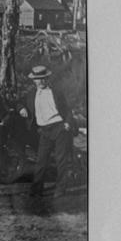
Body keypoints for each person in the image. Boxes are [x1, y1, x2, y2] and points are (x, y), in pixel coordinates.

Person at [18, 65, 76, 198]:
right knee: (41, 161)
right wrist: (21, 108)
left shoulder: (56, 92)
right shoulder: (31, 94)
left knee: (61, 160)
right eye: (38, 79)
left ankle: (60, 189)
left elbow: (67, 109)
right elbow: (18, 103)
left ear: (47, 78)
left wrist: (67, 123)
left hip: (59, 128)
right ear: (34, 80)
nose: (41, 81)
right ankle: (36, 189)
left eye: (43, 78)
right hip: (44, 131)